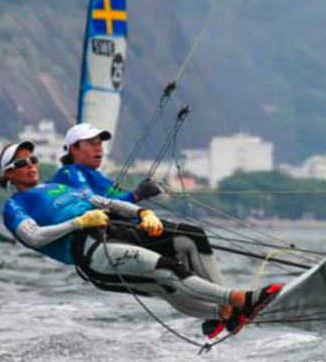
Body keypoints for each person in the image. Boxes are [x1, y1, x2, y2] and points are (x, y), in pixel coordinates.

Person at [0, 140, 277, 337]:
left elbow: (105, 202)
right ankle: (242, 300)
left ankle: (227, 313)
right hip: (91, 253)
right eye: (22, 163)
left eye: (33, 159)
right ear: (8, 173)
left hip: (115, 231)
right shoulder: (15, 206)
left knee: (188, 237)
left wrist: (143, 212)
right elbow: (33, 237)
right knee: (168, 274)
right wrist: (79, 222)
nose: (31, 165)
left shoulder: (57, 186)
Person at [52, 123, 227, 313]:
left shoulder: (97, 176)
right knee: (182, 249)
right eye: (91, 143)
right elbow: (97, 203)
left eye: (100, 143)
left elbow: (116, 204)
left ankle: (221, 310)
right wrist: (136, 195)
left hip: (125, 232)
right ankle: (228, 306)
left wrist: (138, 200)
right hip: (107, 240)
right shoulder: (70, 173)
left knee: (189, 240)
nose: (98, 148)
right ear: (74, 149)